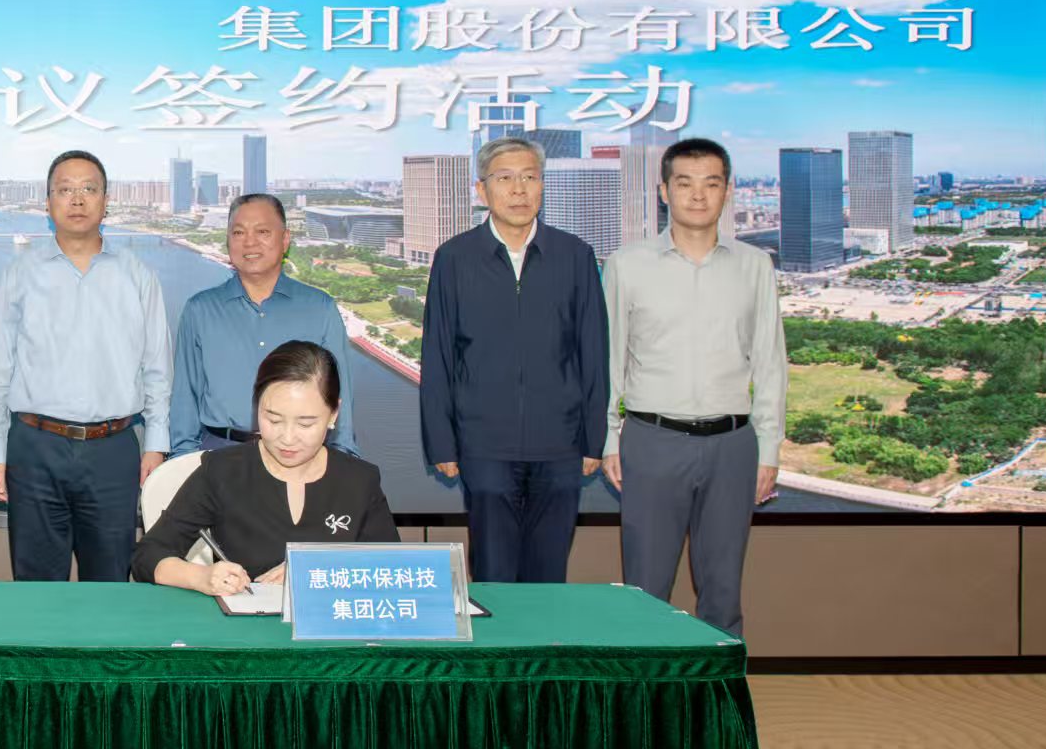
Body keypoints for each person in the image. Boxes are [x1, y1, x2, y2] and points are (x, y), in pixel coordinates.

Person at [602, 137, 787, 635]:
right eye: (685, 184)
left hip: (733, 446)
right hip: (652, 441)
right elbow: (610, 359)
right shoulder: (626, 264)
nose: (698, 195)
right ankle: (644, 685)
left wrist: (768, 448)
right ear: (664, 191)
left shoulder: (755, 265)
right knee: (645, 590)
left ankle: (719, 685)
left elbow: (770, 362)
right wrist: (609, 438)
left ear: (728, 190)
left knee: (723, 590)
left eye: (711, 183)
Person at [419, 135, 608, 584]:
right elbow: (438, 354)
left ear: (542, 186)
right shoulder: (455, 258)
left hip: (560, 443)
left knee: (549, 573)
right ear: (482, 190)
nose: (519, 190)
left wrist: (593, 439)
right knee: (493, 571)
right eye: (505, 179)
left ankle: (544, 635)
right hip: (484, 443)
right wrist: (442, 443)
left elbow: (593, 352)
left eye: (529, 177)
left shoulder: (574, 255)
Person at [0, 149, 171, 583]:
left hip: (113, 450)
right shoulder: (20, 273)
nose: (77, 199)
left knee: (110, 584)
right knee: (36, 588)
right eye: (65, 190)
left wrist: (156, 443)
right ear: (48, 203)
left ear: (106, 201)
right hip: (34, 449)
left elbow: (157, 369)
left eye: (89, 189)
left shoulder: (137, 276)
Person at [136, 341, 396, 594]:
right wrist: (201, 577)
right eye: (273, 419)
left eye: (305, 424)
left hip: (330, 618)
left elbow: (395, 568)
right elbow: (148, 555)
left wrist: (317, 570)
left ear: (334, 413)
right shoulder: (222, 471)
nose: (288, 438)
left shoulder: (359, 480)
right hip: (248, 620)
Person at [170, 192, 362, 457]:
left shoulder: (320, 308)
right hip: (220, 453)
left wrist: (343, 459)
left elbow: (341, 398)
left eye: (262, 232)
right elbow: (185, 397)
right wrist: (181, 461)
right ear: (228, 240)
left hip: (301, 455)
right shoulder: (200, 310)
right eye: (238, 233)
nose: (249, 242)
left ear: (285, 240)